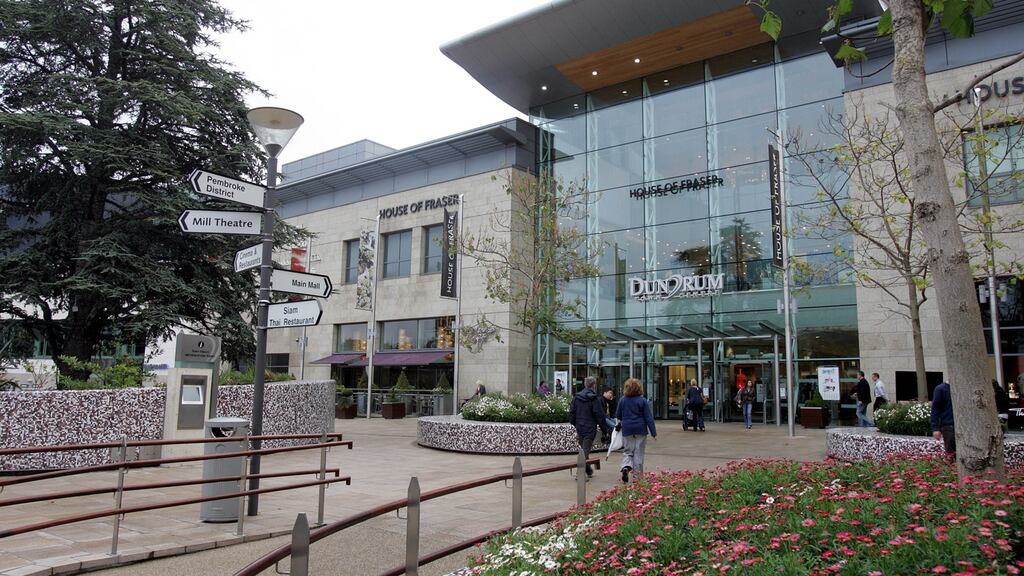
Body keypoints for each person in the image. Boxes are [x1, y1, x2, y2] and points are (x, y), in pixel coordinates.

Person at [615, 377, 656, 483]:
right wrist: (653, 432)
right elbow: (648, 417)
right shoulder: (642, 400)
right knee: (638, 452)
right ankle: (637, 478)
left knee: (628, 451)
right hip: (640, 429)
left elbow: (618, 415)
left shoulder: (622, 400)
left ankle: (625, 466)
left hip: (627, 429)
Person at [569, 376, 610, 479]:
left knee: (584, 449)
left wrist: (576, 424)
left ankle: (588, 470)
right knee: (585, 451)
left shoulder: (576, 397)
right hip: (590, 428)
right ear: (594, 385)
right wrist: (605, 430)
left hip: (580, 427)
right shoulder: (593, 398)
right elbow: (599, 415)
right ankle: (580, 473)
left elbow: (571, 413)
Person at [930, 381, 955, 454]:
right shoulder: (941, 389)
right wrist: (935, 428)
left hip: (964, 425)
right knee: (951, 453)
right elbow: (935, 408)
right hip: (948, 426)